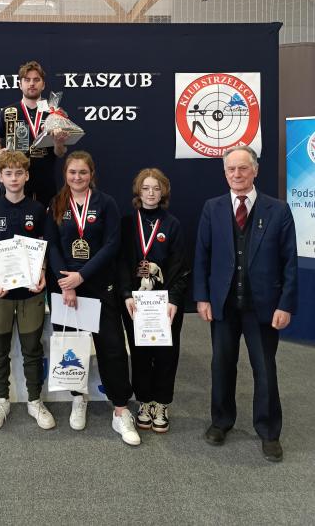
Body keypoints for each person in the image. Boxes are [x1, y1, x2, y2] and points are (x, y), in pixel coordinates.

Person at [194, 146, 298, 462]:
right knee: (221, 365)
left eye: (243, 168)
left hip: (263, 307)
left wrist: (285, 305)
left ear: (255, 170)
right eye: (231, 169)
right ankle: (221, 422)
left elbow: (289, 262)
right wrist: (202, 297)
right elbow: (202, 256)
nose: (237, 174)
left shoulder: (278, 210)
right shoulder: (212, 208)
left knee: (264, 369)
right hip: (224, 305)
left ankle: (268, 431)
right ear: (225, 173)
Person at [45, 150, 140, 446]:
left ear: (91, 174)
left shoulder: (106, 203)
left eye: (83, 172)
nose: (77, 177)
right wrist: (67, 284)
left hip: (99, 285)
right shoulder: (56, 203)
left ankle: (120, 409)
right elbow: (52, 246)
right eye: (72, 172)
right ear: (65, 174)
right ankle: (78, 398)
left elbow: (112, 245)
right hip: (66, 290)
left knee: (112, 348)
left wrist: (82, 276)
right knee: (72, 347)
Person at [0, 150, 55, 431]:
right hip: (0, 292)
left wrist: (43, 273)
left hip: (30, 291)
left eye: (19, 173)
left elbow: (43, 248)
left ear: (27, 176)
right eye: (8, 173)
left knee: (32, 349)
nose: (14, 178)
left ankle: (35, 401)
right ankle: (1, 400)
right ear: (0, 177)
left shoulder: (38, 209)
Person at [118, 168, 189, 434]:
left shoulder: (172, 224)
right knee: (139, 353)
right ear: (138, 191)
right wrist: (126, 293)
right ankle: (144, 401)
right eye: (146, 188)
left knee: (165, 354)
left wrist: (174, 299)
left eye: (156, 188)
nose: (151, 193)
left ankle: (162, 403)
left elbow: (181, 266)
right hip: (135, 302)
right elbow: (119, 262)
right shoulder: (127, 223)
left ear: (163, 192)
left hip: (165, 302)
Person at [0, 60, 67, 206]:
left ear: (43, 85)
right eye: (27, 80)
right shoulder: (8, 112)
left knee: (46, 219)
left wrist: (58, 143)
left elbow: (60, 153)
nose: (32, 84)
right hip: (15, 181)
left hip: (45, 181)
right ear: (20, 84)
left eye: (36, 80)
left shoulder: (54, 113)